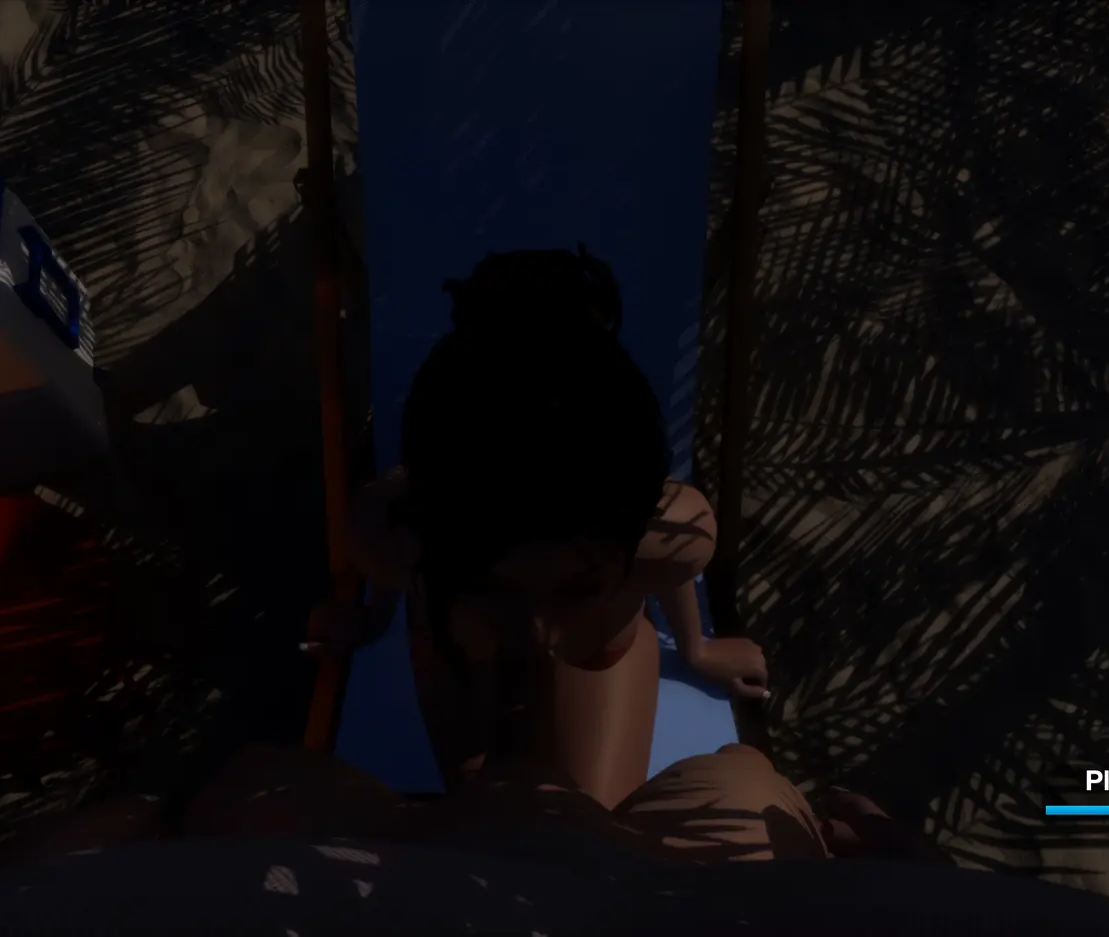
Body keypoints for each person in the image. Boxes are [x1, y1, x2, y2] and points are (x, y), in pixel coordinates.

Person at [309, 247, 769, 807]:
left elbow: (402, 542)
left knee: (567, 812)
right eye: (487, 588)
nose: (533, 637)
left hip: (484, 633)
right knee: (508, 813)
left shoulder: (670, 537)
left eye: (576, 589)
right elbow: (395, 547)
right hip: (475, 639)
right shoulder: (387, 534)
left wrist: (697, 648)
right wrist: (372, 616)